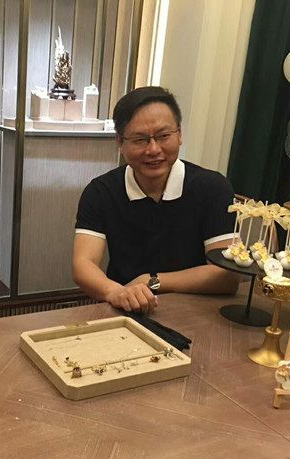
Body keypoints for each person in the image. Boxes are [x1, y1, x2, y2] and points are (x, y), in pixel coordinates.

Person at [72, 86, 239, 315]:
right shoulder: (101, 192)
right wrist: (116, 292)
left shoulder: (213, 188)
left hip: (198, 311)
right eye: (140, 139)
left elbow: (227, 275)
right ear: (120, 142)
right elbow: (83, 264)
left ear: (179, 135)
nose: (153, 149)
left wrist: (152, 281)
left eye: (163, 136)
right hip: (126, 309)